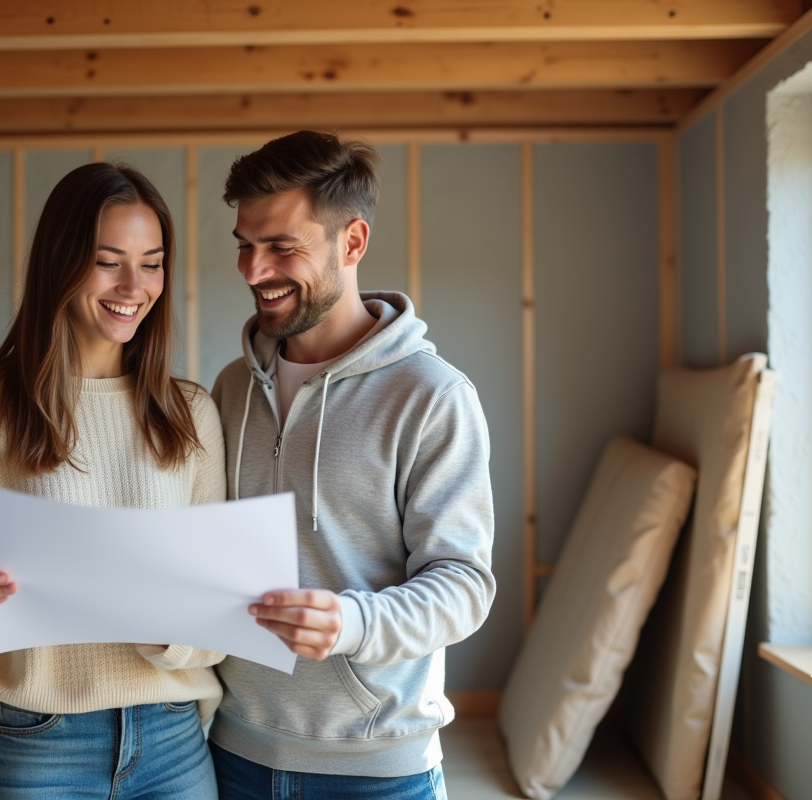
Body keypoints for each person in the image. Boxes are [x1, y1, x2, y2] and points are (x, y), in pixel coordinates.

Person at [0, 163, 225, 799]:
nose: (134, 286)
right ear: (60, 263)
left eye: (152, 263)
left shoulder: (191, 412)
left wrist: (169, 632)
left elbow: (220, 611)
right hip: (39, 740)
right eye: (108, 262)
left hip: (173, 739)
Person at [209, 131, 496, 799]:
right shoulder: (230, 388)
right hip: (231, 752)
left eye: (282, 247)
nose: (254, 270)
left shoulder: (432, 396)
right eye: (245, 246)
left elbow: (463, 585)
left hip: (377, 769)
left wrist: (352, 623)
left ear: (353, 242)